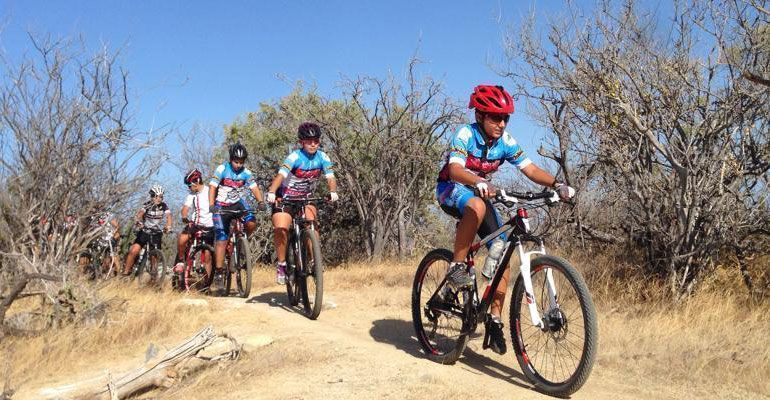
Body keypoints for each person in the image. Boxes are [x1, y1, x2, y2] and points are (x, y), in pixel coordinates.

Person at [436, 84, 575, 355]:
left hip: (480, 191)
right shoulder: (465, 134)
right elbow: (454, 169)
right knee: (477, 205)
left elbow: (530, 169)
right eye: (495, 117)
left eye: (505, 118)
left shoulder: (505, 142)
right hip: (452, 189)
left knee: (502, 252)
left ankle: (494, 319)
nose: (501, 123)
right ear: (480, 116)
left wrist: (558, 184)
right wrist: (478, 181)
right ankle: (455, 265)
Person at [265, 122, 338, 284]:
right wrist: (271, 192)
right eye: (308, 141)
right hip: (285, 198)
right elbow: (280, 176)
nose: (313, 144)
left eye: (316, 141)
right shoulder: (294, 157)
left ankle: (314, 261)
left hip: (306, 197)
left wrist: (332, 192)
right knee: (281, 228)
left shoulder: (323, 157)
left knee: (312, 224)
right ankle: (282, 264)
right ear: (301, 142)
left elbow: (330, 177)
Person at [209, 143, 264, 282]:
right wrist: (211, 205)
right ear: (231, 159)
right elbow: (212, 187)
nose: (238, 165)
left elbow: (254, 188)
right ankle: (219, 272)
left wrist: (261, 202)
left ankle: (241, 243)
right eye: (236, 161)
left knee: (251, 222)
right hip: (221, 206)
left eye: (241, 162)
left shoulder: (246, 172)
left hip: (238, 204)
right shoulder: (222, 169)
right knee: (221, 239)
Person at [174, 169, 215, 285]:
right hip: (195, 224)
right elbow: (185, 208)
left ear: (196, 182)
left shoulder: (210, 191)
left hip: (210, 226)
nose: (188, 188)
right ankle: (181, 261)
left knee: (208, 257)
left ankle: (207, 284)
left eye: (189, 185)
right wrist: (184, 216)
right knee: (182, 239)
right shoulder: (191, 195)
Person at [122, 185, 172, 275]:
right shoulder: (147, 205)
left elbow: (169, 217)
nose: (159, 199)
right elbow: (139, 215)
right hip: (145, 231)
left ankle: (154, 278)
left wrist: (168, 227)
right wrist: (138, 222)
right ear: (152, 196)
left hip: (156, 233)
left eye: (161, 197)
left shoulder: (164, 206)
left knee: (155, 256)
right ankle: (125, 272)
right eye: (156, 197)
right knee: (134, 250)